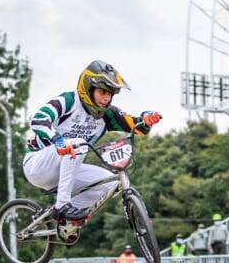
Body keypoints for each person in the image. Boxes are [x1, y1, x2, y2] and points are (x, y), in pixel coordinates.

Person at [23, 61, 161, 222]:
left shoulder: (108, 114)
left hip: (69, 168)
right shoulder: (68, 101)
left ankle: (69, 221)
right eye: (102, 91)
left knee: (111, 184)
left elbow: (136, 126)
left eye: (110, 94)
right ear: (88, 88)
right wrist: (59, 142)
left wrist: (147, 119)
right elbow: (38, 120)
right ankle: (62, 205)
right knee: (79, 144)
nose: (106, 98)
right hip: (38, 165)